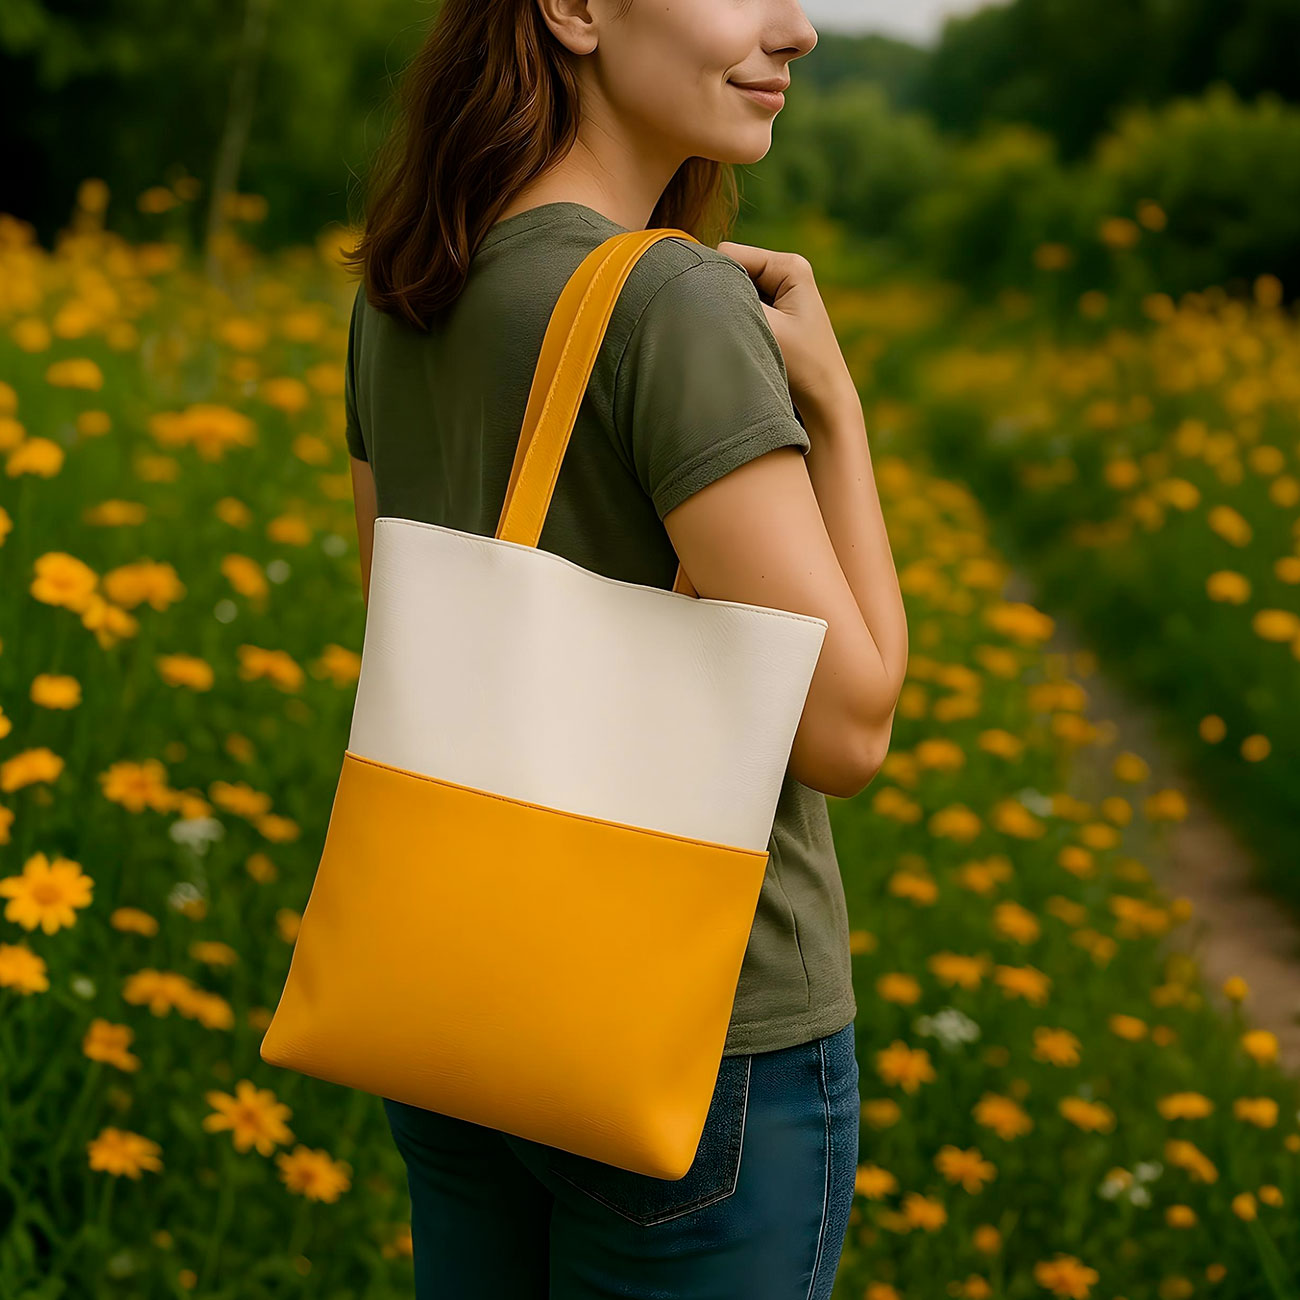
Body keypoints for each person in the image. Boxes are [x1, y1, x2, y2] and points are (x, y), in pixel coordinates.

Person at [340, 0, 908, 1294]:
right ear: (577, 9)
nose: (797, 28)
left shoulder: (398, 295)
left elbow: (410, 631)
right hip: (695, 1045)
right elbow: (850, 726)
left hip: (455, 1013)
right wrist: (840, 409)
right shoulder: (672, 303)